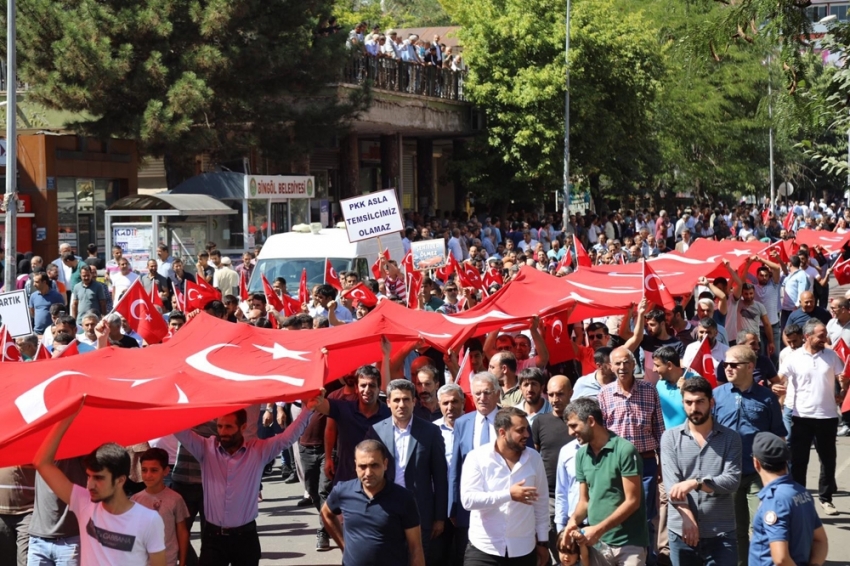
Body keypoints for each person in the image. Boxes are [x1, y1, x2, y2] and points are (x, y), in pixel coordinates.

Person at [174, 396, 327, 566]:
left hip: (245, 539)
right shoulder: (205, 448)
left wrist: (308, 409)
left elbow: (287, 438)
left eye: (229, 427)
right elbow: (177, 428)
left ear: (243, 427)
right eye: (220, 426)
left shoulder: (258, 451)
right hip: (213, 540)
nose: (222, 432)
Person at [32, 412, 167, 565]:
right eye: (89, 476)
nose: (90, 484)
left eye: (99, 478)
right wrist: (65, 417)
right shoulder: (83, 503)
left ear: (121, 480)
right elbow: (41, 462)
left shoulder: (149, 520)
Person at [712, 344, 785, 565]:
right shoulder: (716, 395)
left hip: (758, 474)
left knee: (763, 525)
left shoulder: (767, 398)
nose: (728, 368)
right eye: (726, 364)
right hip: (728, 473)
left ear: (750, 367)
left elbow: (778, 437)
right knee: (735, 530)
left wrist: (781, 475)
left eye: (734, 364)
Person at [660, 377, 741, 566]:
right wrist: (687, 518)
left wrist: (695, 483)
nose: (694, 408)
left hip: (720, 532)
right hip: (681, 532)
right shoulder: (670, 438)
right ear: (683, 403)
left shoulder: (731, 438)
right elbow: (673, 486)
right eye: (688, 402)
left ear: (711, 403)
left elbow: (731, 481)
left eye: (699, 402)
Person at [364, 379, 447, 563]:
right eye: (397, 400)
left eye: (406, 400)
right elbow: (367, 474)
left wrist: (440, 517)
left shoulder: (430, 432)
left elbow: (440, 477)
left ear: (414, 401)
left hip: (420, 513)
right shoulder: (376, 431)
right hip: (385, 511)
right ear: (388, 403)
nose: (401, 405)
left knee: (417, 559)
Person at [598, 346, 664, 564]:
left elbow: (659, 428)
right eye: (617, 363)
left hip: (645, 463)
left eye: (626, 362)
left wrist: (662, 463)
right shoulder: (604, 393)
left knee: (644, 515)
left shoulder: (649, 389)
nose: (622, 367)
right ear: (610, 366)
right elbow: (601, 432)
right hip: (615, 465)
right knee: (617, 512)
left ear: (634, 364)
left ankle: (648, 559)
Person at [460, 406, 550, 566]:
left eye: (526, 430)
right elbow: (468, 500)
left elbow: (541, 503)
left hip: (524, 549)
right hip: (484, 549)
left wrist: (543, 542)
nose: (527, 435)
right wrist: (509, 494)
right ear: (502, 432)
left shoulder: (534, 458)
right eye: (520, 431)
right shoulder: (477, 458)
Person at [564, 397, 648, 565]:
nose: (570, 433)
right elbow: (584, 501)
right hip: (598, 545)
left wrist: (598, 529)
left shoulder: (624, 450)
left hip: (629, 543)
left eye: (574, 426)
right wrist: (572, 522)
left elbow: (633, 501)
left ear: (591, 421)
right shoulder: (581, 454)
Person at [778, 319, 846, 516]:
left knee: (828, 459)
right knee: (799, 461)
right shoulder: (793, 357)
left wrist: (843, 389)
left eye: (825, 334)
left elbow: (843, 376)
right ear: (808, 337)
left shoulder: (832, 356)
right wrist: (776, 387)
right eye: (821, 335)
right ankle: (799, 500)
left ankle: (826, 499)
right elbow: (780, 378)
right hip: (801, 417)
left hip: (827, 417)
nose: (825, 338)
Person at [321, 440, 425, 566]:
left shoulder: (404, 498)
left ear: (385, 464)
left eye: (374, 465)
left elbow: (416, 549)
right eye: (362, 466)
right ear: (355, 465)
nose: (368, 473)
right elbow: (326, 513)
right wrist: (344, 547)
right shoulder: (343, 491)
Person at [748, 432, 828, 566]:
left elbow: (781, 558)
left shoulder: (775, 500)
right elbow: (820, 540)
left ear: (756, 463)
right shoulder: (801, 492)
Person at [449, 372, 501, 564]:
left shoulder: (510, 419)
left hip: (502, 503)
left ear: (497, 393)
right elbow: (456, 466)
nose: (482, 398)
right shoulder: (463, 422)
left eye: (487, 392)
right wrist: (453, 507)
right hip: (469, 505)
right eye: (477, 393)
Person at [324, 365, 391, 486]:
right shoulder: (343, 409)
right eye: (363, 385)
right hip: (347, 481)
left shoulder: (389, 414)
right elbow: (314, 403)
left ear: (379, 388)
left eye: (371, 385)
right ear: (356, 388)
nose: (367, 390)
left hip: (379, 485)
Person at [532, 375, 572, 560]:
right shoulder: (540, 421)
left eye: (560, 394)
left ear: (571, 393)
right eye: (551, 394)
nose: (555, 399)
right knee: (555, 549)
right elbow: (533, 455)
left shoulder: (578, 421)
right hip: (548, 495)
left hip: (576, 494)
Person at [131, 448, 189, 566]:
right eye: (144, 470)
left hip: (167, 561)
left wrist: (182, 562)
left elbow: (182, 532)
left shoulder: (175, 499)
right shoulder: (135, 500)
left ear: (166, 471)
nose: (148, 475)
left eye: (154, 470)